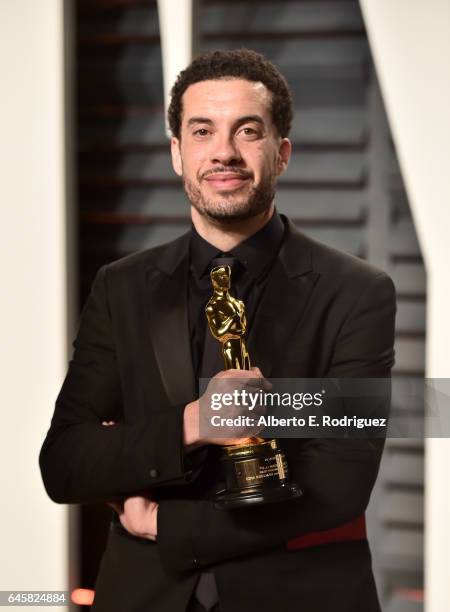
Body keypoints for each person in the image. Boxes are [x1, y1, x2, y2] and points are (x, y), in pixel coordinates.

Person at [40, 49, 396, 612]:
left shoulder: (357, 292)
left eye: (247, 131)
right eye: (201, 131)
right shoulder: (122, 286)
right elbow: (65, 462)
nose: (223, 152)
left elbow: (338, 486)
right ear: (178, 153)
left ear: (281, 153)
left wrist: (163, 521)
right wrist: (193, 423)